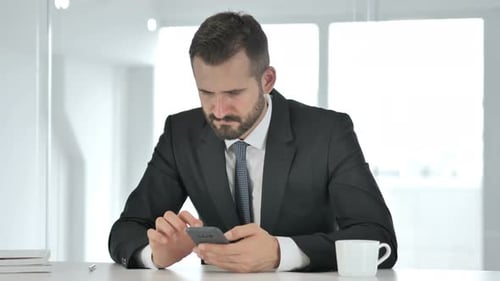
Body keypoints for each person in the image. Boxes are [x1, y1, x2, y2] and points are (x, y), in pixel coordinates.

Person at [108, 11, 397, 273]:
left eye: (233, 93)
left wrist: (280, 252)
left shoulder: (328, 132)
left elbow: (378, 237)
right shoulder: (180, 133)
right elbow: (125, 230)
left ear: (267, 80)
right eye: (207, 93)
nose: (218, 112)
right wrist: (156, 255)